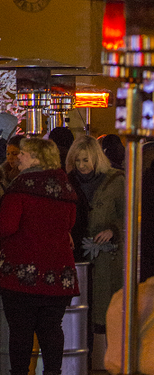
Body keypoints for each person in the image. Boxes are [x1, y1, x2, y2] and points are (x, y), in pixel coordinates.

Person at [0, 136, 79, 375]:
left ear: (37, 158)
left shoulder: (21, 187)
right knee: (52, 330)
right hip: (58, 270)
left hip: (23, 271)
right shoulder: (66, 187)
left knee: (20, 331)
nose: (18, 157)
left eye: (25, 154)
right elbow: (69, 223)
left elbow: (5, 226)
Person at [66, 134, 124, 333]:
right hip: (76, 252)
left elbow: (129, 216)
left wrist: (113, 230)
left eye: (85, 160)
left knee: (104, 309)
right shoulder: (68, 182)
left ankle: (103, 356)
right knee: (79, 309)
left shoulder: (116, 181)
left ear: (96, 158)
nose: (81, 166)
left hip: (107, 256)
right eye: (77, 160)